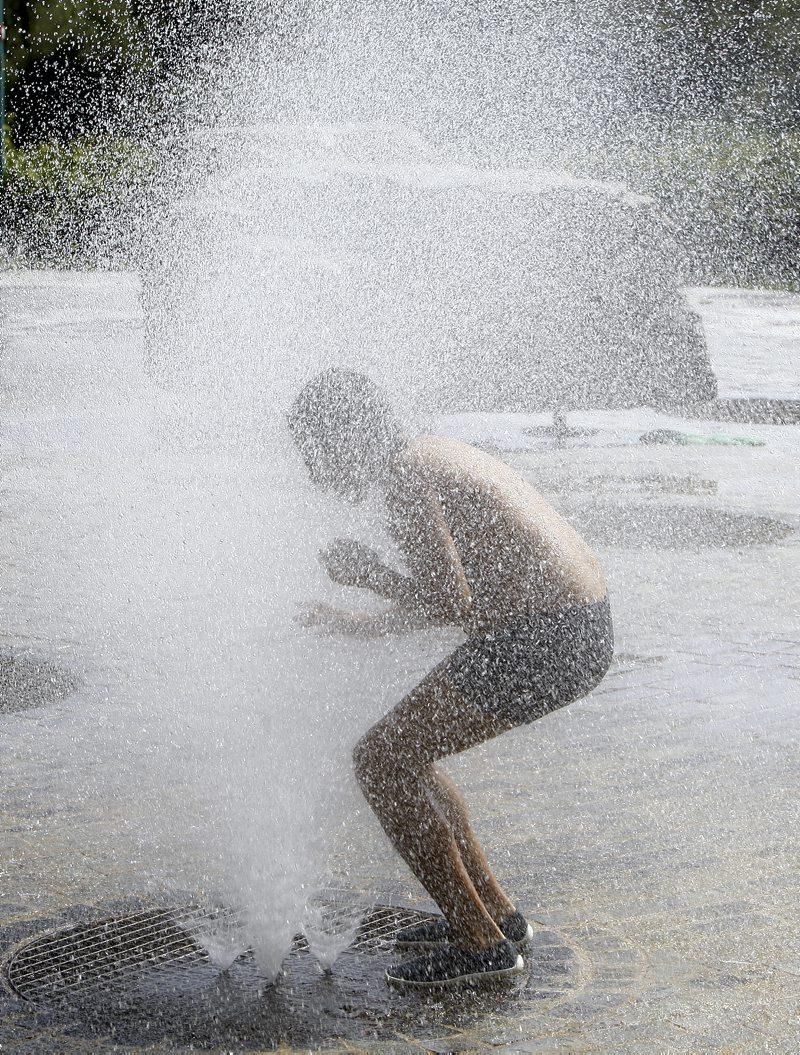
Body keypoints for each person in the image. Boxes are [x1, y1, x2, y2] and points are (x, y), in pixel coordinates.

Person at [288, 368, 613, 991]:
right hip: (567, 628)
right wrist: (354, 621)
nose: (313, 471)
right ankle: (497, 917)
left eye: (313, 450)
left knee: (381, 761)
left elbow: (453, 603)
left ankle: (478, 942)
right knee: (407, 755)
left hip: (551, 636)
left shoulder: (410, 476)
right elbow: (463, 600)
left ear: (344, 437)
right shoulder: (432, 453)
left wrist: (370, 577)